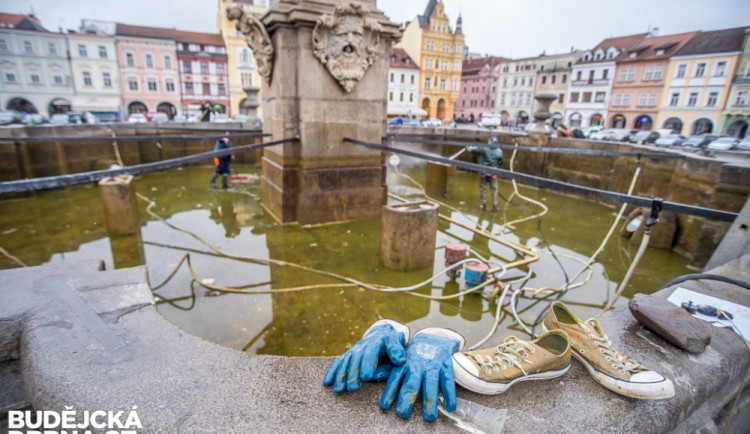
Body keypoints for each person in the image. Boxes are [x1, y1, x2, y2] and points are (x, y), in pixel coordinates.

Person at [468, 136, 504, 212]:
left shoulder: (484, 149)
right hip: (493, 174)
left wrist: (468, 147)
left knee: (483, 189)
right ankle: (495, 207)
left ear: (490, 141)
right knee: (494, 190)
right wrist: (497, 166)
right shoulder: (499, 151)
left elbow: (473, 151)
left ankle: (483, 206)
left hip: (483, 174)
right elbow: (501, 162)